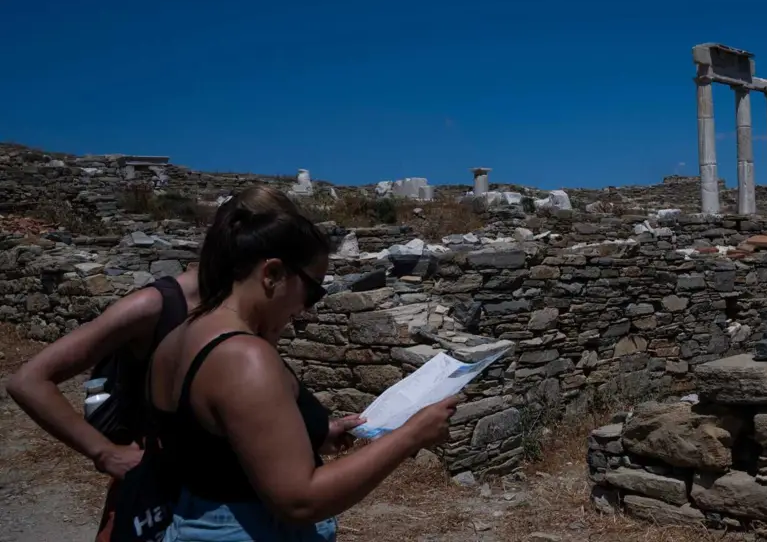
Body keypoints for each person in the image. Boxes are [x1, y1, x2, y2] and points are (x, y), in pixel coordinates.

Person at [150, 187, 458, 542]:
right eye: (312, 290)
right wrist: (411, 435)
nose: (308, 308)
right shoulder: (244, 358)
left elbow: (218, 448)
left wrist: (312, 431)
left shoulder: (180, 336)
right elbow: (300, 501)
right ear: (273, 274)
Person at [6, 258, 200, 542]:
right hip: (153, 495)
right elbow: (29, 381)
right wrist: (104, 452)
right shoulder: (155, 305)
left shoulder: (243, 308)